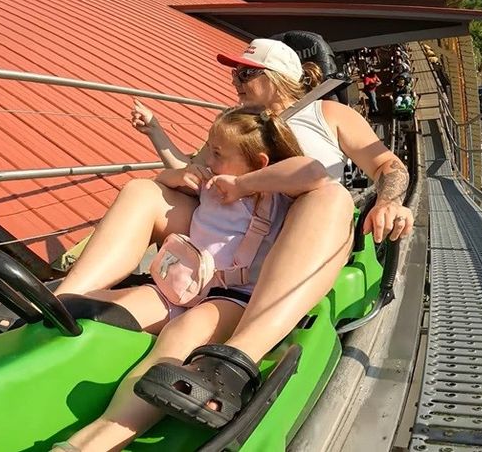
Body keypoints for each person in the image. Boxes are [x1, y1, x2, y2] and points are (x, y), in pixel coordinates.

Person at [50, 38, 412, 449]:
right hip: (218, 247)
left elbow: (387, 165)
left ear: (278, 77)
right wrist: (171, 170)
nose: (235, 80)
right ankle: (64, 302)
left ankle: (237, 359)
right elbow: (197, 172)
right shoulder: (234, 124)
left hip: (292, 238)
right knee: (142, 191)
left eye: (246, 73)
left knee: (332, 197)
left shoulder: (328, 114)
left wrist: (388, 200)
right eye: (235, 72)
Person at [54, 106, 328, 451]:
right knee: (99, 307)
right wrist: (175, 177)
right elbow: (172, 178)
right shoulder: (209, 184)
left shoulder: (271, 193)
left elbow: (313, 173)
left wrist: (243, 184)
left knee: (184, 332)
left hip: (230, 298)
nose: (207, 158)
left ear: (258, 163)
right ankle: (44, 318)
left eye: (217, 153)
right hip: (179, 287)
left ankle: (97, 440)